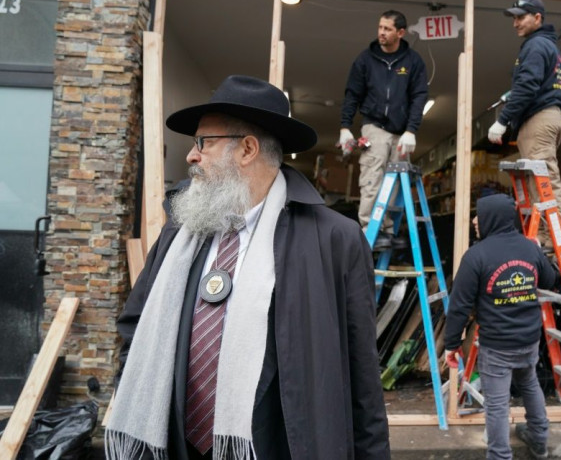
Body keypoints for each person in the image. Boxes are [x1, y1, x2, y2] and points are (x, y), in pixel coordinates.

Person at [106, 75, 390, 460]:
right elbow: (135, 326)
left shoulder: (334, 240)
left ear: (247, 149)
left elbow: (362, 378)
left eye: (203, 142)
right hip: (177, 447)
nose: (192, 156)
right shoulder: (180, 230)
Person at [444, 194, 556, 460]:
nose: (474, 220)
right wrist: (538, 251)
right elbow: (550, 280)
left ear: (491, 218)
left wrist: (451, 344)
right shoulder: (529, 248)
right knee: (529, 384)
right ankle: (539, 440)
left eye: (479, 215)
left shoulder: (476, 256)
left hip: (497, 346)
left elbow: (459, 305)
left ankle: (499, 455)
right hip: (529, 339)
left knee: (496, 404)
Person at [487, 0, 561, 254]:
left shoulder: (535, 45)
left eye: (521, 17)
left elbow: (527, 86)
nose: (515, 23)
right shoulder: (545, 46)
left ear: (537, 18)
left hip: (539, 119)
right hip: (544, 117)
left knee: (546, 182)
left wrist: (502, 121)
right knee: (540, 182)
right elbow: (533, 84)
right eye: (513, 18)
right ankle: (549, 237)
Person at [339, 9, 428, 249]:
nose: (381, 33)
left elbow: (419, 96)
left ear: (400, 32)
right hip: (374, 127)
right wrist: (345, 127)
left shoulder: (413, 62)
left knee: (395, 182)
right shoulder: (365, 59)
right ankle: (369, 228)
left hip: (401, 132)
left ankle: (387, 230)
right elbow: (352, 94)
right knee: (372, 177)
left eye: (387, 29)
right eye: (380, 27)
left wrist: (411, 130)